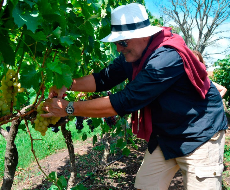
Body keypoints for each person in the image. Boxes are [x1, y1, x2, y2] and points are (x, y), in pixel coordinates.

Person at [41, 3, 228, 190]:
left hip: (200, 133)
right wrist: (67, 83)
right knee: (145, 186)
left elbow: (125, 100)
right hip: (167, 134)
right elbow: (103, 79)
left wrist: (69, 107)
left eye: (123, 42)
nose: (118, 49)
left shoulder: (166, 58)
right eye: (116, 42)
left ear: (144, 35)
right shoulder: (134, 55)